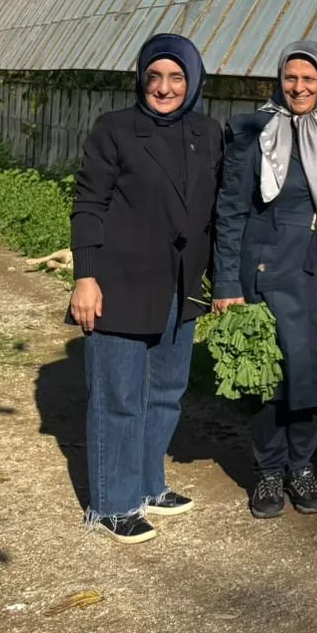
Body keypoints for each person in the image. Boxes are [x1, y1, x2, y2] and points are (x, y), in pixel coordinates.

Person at [68, 33, 222, 543]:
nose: (164, 87)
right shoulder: (115, 129)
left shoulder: (206, 132)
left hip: (180, 284)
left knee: (165, 393)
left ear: (193, 81)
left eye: (177, 77)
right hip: (120, 282)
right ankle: (113, 503)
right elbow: (89, 204)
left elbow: (216, 211)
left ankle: (148, 483)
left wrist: (223, 278)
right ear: (140, 78)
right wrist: (85, 277)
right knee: (118, 396)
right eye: (154, 76)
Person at [213, 40, 317, 519]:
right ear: (278, 80)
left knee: (313, 371)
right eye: (290, 78)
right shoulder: (251, 131)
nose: (299, 87)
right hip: (267, 264)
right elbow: (230, 212)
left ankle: (302, 465)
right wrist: (226, 283)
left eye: (309, 79)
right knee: (269, 374)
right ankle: (269, 470)